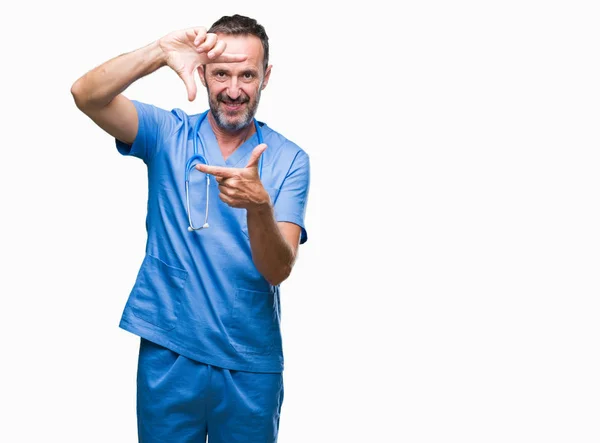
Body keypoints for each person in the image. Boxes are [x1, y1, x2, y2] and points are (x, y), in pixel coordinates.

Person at [71, 14, 310, 443]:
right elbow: (86, 95)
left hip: (249, 365)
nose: (233, 90)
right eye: (221, 73)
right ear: (202, 72)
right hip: (170, 355)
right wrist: (159, 53)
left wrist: (259, 207)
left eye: (247, 75)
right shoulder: (168, 133)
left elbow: (278, 270)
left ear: (266, 77)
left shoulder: (289, 159)